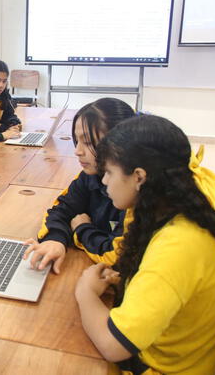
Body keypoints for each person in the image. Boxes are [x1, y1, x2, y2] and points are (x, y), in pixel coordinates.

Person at [75, 115, 215, 374]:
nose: (103, 181)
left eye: (109, 172)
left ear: (139, 177)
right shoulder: (179, 207)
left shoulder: (178, 247)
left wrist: (85, 292)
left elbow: (114, 345)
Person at [23, 98, 135, 273]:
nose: (77, 151)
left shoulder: (136, 191)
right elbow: (61, 209)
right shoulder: (90, 176)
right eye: (77, 140)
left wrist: (82, 229)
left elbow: (117, 256)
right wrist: (56, 239)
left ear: (120, 143)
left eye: (88, 142)